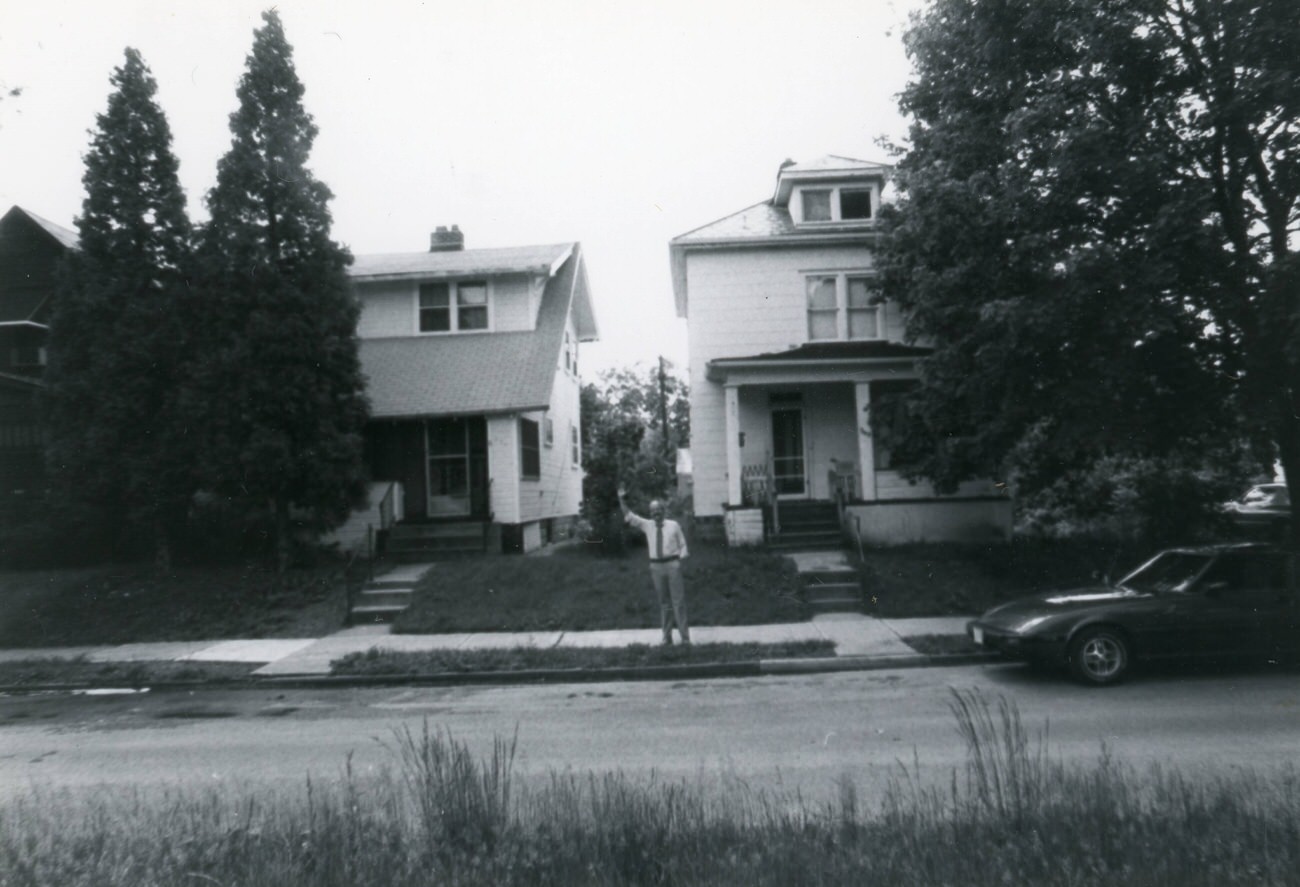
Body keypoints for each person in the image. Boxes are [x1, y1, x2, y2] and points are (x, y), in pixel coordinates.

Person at [617, 486, 690, 645]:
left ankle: (685, 638)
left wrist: (679, 560)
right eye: (653, 511)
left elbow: (683, 544)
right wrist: (621, 499)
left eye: (658, 510)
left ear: (664, 511)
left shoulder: (674, 525)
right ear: (650, 513)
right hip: (656, 568)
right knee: (664, 603)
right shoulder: (647, 525)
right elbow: (629, 516)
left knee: (678, 602)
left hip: (672, 565)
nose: (655, 513)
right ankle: (667, 637)